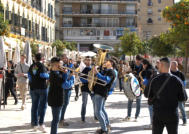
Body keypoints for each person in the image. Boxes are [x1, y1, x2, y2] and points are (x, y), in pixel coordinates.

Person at [144, 57, 188, 134]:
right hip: (172, 114)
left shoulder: (154, 79)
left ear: (161, 65)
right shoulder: (177, 80)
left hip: (158, 114)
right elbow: (183, 98)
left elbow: (146, 94)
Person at [93, 59, 116, 134]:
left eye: (107, 62)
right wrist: (97, 70)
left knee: (97, 112)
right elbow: (100, 76)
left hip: (101, 92)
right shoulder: (106, 70)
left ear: (111, 63)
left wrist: (97, 73)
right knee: (101, 109)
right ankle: (106, 125)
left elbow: (106, 80)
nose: (105, 63)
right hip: (98, 91)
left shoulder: (111, 72)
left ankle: (104, 129)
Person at [28, 53, 49, 132]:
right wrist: (49, 75)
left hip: (33, 88)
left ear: (35, 58)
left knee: (34, 106)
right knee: (43, 106)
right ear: (42, 58)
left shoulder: (31, 66)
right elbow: (43, 75)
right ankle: (41, 124)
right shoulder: (42, 66)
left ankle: (34, 124)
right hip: (42, 88)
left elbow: (29, 76)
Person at [48, 57, 65, 134]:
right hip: (56, 99)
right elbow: (63, 83)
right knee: (55, 120)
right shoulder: (54, 75)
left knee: (56, 119)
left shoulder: (55, 73)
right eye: (59, 64)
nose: (61, 66)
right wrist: (66, 74)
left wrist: (62, 72)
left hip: (56, 98)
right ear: (55, 65)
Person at [124, 55, 143, 122]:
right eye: (136, 60)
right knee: (130, 101)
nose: (137, 61)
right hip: (132, 85)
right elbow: (127, 73)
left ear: (141, 60)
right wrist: (128, 70)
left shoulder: (142, 67)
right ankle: (128, 116)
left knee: (138, 102)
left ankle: (136, 116)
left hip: (139, 86)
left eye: (138, 60)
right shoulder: (132, 65)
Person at [60, 54, 75, 126]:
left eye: (66, 58)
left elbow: (72, 75)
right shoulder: (60, 68)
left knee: (65, 104)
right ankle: (61, 120)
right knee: (63, 104)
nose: (64, 59)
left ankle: (61, 118)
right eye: (63, 58)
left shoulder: (70, 66)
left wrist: (71, 80)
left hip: (69, 87)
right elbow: (63, 79)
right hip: (64, 88)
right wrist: (66, 74)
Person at [171, 61, 187, 126]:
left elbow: (184, 83)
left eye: (172, 65)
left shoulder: (180, 74)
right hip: (171, 93)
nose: (171, 67)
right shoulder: (170, 73)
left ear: (176, 66)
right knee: (172, 108)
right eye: (171, 65)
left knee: (181, 107)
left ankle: (184, 120)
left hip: (179, 93)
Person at [141, 59, 157, 128]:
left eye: (143, 65)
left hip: (151, 93)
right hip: (155, 92)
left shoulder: (148, 71)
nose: (143, 66)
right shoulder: (154, 69)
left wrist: (143, 82)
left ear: (146, 64)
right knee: (154, 109)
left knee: (151, 109)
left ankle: (152, 124)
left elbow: (147, 82)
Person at [80, 57, 94, 122]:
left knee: (95, 102)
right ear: (85, 61)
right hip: (85, 88)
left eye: (90, 60)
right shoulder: (84, 69)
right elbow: (81, 79)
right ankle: (83, 117)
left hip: (92, 88)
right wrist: (88, 80)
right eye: (87, 60)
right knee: (84, 103)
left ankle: (96, 116)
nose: (88, 61)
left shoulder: (93, 68)